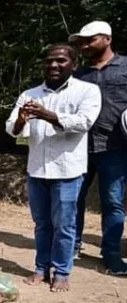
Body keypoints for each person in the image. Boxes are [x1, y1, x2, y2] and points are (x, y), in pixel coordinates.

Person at [6, 44, 101, 292]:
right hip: (37, 169)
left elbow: (85, 122)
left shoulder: (87, 91)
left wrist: (49, 115)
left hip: (67, 171)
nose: (54, 65)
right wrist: (20, 121)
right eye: (49, 61)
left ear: (74, 64)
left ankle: (61, 271)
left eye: (60, 60)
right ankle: (40, 268)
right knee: (42, 224)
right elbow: (12, 128)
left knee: (65, 225)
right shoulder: (30, 94)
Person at [70, 21, 127, 274]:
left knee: (113, 202)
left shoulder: (125, 68)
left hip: (116, 148)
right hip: (80, 147)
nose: (84, 45)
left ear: (107, 38)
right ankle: (71, 247)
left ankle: (111, 253)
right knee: (73, 200)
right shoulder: (78, 74)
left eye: (89, 40)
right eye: (81, 41)